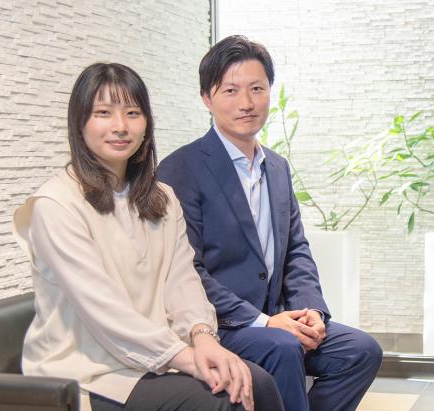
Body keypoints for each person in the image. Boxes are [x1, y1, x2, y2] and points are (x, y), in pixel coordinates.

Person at [12, 62, 284, 411]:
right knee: (223, 401)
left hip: (155, 359)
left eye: (132, 113)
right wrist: (188, 358)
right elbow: (104, 312)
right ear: (80, 122)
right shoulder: (56, 205)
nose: (120, 126)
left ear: (146, 124)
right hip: (89, 372)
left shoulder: (162, 198)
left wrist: (204, 337)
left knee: (258, 383)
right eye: (103, 113)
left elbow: (182, 281)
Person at [157, 35, 383, 411]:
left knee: (361, 351)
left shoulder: (276, 167)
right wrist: (263, 322)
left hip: (279, 318)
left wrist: (311, 310)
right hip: (220, 325)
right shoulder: (181, 169)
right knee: (283, 346)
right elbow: (188, 271)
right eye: (231, 90)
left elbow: (296, 250)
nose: (246, 103)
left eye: (257, 89)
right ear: (207, 98)